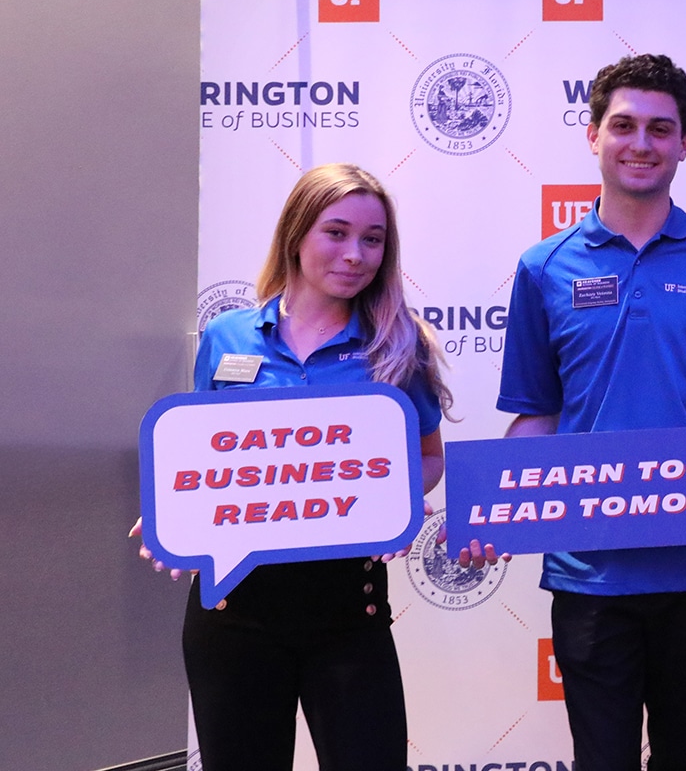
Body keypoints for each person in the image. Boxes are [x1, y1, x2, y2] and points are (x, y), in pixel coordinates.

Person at [488, 54, 686, 771]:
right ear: (592, 135)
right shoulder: (543, 268)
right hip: (590, 571)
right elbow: (534, 417)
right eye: (623, 125)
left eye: (660, 128)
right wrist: (488, 511)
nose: (641, 142)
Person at [132, 163, 451, 770]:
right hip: (232, 613)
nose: (356, 254)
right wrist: (170, 516)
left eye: (373, 239)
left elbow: (429, 456)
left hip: (346, 612)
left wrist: (399, 497)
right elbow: (203, 460)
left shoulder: (399, 343)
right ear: (296, 233)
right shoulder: (226, 337)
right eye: (336, 232)